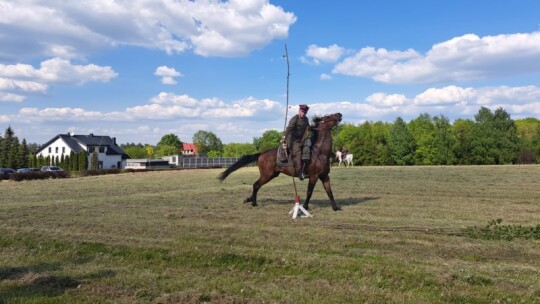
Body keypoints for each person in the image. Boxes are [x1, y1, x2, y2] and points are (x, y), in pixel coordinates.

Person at [284, 104, 311, 180]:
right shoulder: (295, 118)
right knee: (298, 152)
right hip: (293, 140)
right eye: (302, 111)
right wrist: (284, 137)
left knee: (309, 147)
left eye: (305, 112)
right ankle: (300, 173)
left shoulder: (306, 119)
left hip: (301, 139)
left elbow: (308, 127)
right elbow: (289, 128)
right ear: (299, 111)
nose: (303, 113)